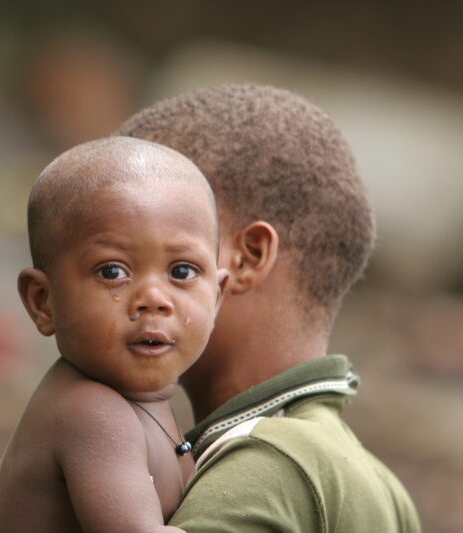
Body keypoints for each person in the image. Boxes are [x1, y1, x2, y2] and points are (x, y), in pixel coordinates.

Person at [117, 83, 421, 532]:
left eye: (145, 245)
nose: (117, 286)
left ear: (246, 259)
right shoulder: (383, 488)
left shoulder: (263, 470)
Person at [0, 136, 228, 533]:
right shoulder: (90, 413)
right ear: (44, 302)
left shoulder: (142, 405)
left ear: (216, 298)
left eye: (181, 271)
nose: (153, 299)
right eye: (112, 271)